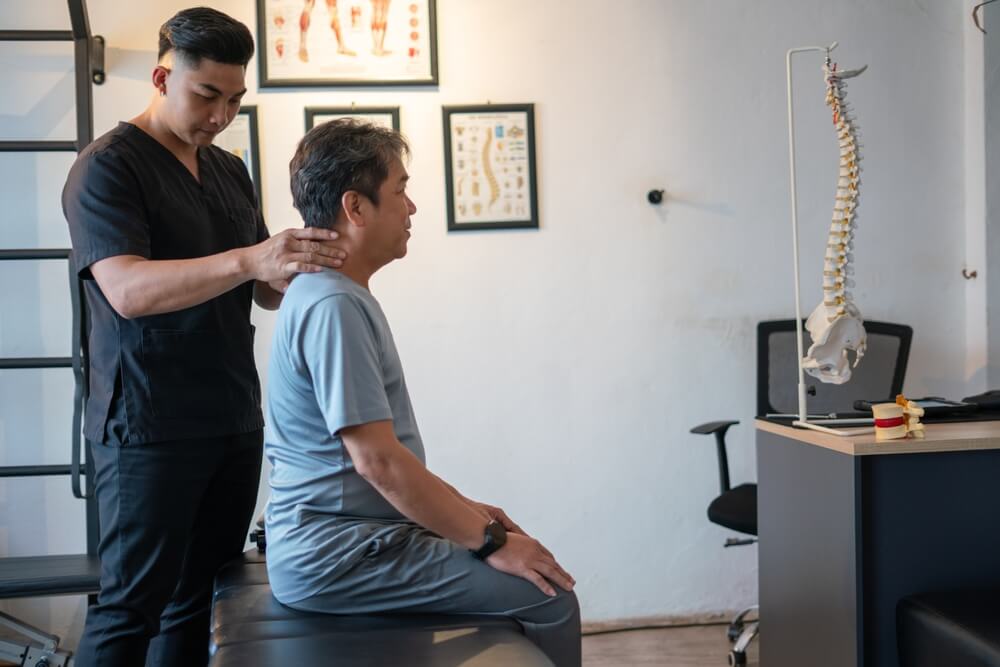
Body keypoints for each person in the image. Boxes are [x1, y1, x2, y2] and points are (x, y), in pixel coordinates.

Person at [62, 8, 345, 666]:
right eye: (207, 95)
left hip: (231, 415)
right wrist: (252, 260)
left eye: (236, 100)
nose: (221, 115)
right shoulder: (106, 168)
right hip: (147, 424)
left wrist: (325, 260)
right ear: (163, 77)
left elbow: (266, 286)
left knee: (201, 600)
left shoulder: (228, 170)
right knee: (130, 604)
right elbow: (128, 291)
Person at [265, 118, 581, 667]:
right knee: (548, 594)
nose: (411, 209)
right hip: (337, 555)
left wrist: (467, 511)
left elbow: (382, 457)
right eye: (401, 191)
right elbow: (379, 463)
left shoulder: (332, 294)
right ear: (355, 208)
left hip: (347, 540)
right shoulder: (332, 305)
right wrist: (489, 542)